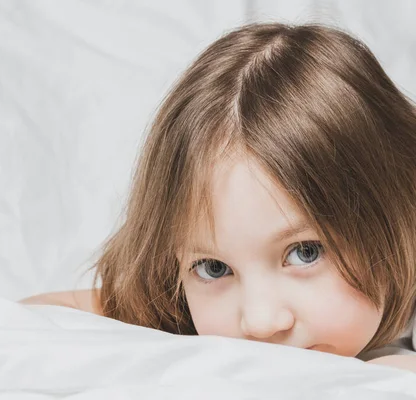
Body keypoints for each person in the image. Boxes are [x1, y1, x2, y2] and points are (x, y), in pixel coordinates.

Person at [20, 22, 416, 372]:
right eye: (213, 267)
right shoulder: (173, 300)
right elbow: (36, 316)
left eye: (305, 252)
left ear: (396, 210)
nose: (260, 322)